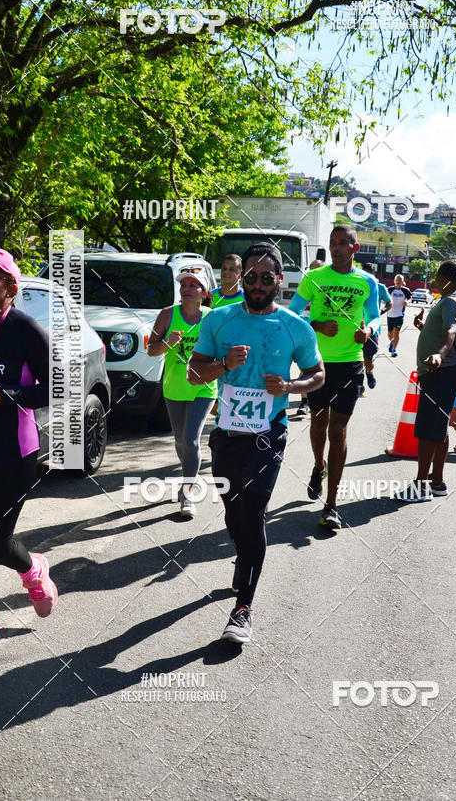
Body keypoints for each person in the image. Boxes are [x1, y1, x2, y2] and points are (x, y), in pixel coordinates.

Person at [188, 242, 324, 643]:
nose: (260, 283)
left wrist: (290, 386)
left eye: (268, 277)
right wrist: (223, 365)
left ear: (280, 281)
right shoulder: (219, 320)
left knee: (254, 512)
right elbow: (195, 374)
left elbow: (317, 376)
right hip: (227, 436)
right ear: (241, 277)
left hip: (269, 435)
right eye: (252, 276)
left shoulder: (294, 326)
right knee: (234, 515)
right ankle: (244, 557)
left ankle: (243, 608)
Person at [0, 248, 58, 641]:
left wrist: (2, 394)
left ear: (9, 288)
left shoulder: (24, 330)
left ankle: (32, 570)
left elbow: (54, 389)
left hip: (13, 454)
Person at [289, 225, 381, 529]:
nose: (336, 248)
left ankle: (331, 505)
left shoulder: (367, 281)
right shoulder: (314, 278)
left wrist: (368, 330)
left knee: (339, 429)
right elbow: (292, 313)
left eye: (343, 243)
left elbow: (376, 316)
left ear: (355, 248)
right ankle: (319, 465)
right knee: (319, 421)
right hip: (317, 363)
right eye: (333, 243)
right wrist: (315, 324)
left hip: (350, 364)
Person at [395, 259, 456, 502]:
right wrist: (423, 327)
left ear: (445, 278)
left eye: (438, 276)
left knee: (428, 431)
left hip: (440, 373)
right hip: (443, 373)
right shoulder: (451, 300)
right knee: (438, 429)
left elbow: (451, 332)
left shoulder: (451, 301)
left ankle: (420, 487)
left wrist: (439, 354)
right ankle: (437, 482)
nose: (435, 280)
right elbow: (443, 331)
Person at [148, 267, 217, 518]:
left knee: (191, 440)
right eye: (184, 285)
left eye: (193, 285)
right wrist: (167, 342)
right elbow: (151, 350)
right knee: (180, 441)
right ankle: (188, 473)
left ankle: (188, 494)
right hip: (174, 387)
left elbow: (221, 353)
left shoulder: (212, 317)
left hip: (204, 387)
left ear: (204, 292)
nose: (186, 289)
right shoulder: (168, 315)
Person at [296, 255, 325, 416]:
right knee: (306, 367)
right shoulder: (304, 289)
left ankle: (319, 401)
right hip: (307, 333)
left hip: (325, 337)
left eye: (318, 271)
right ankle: (304, 402)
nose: (314, 274)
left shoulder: (326, 291)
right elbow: (295, 312)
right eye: (312, 271)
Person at [360, 263, 391, 391]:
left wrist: (381, 312)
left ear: (373, 273)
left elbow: (389, 303)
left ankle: (369, 372)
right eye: (364, 272)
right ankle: (359, 384)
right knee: (355, 358)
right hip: (355, 328)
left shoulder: (380, 287)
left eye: (369, 273)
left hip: (372, 330)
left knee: (368, 359)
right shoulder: (356, 284)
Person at [387, 274, 412, 358]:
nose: (398, 282)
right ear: (394, 281)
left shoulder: (406, 290)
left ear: (402, 282)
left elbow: (410, 298)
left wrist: (407, 302)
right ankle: (392, 342)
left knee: (396, 332)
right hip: (390, 314)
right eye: (396, 280)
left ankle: (394, 349)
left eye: (400, 280)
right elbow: (384, 298)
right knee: (390, 333)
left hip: (399, 314)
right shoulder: (390, 289)